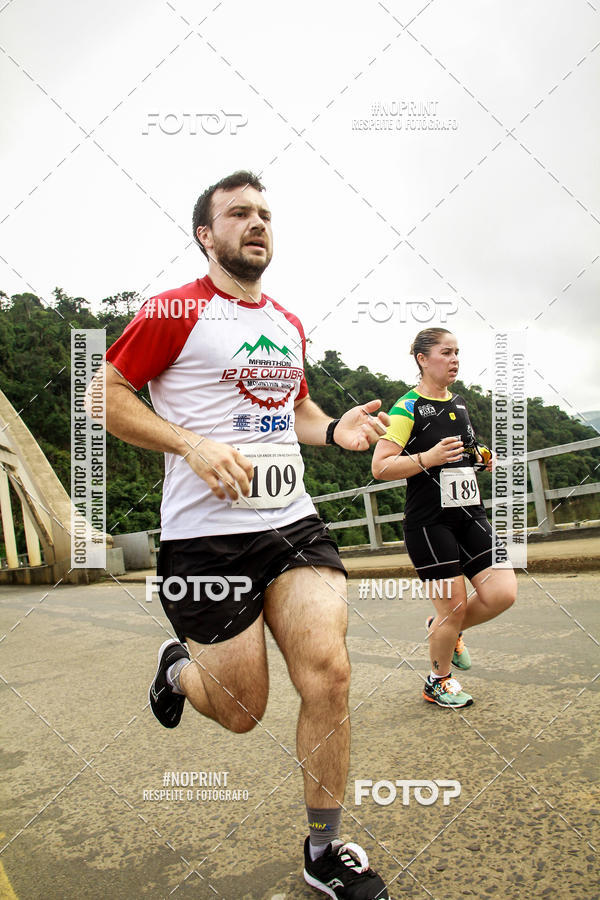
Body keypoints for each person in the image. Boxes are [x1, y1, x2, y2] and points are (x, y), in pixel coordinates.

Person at [97, 171, 391, 898]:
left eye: (264, 213)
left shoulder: (288, 323)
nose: (255, 223)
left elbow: (296, 412)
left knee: (329, 673)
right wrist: (189, 445)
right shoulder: (173, 310)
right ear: (207, 234)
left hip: (292, 526)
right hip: (206, 543)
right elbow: (102, 396)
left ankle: (324, 854)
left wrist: (335, 430)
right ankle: (177, 669)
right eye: (237, 214)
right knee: (239, 710)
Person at [372, 327, 517, 708]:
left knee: (503, 593)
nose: (454, 359)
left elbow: (465, 448)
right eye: (446, 352)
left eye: (457, 352)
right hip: (429, 523)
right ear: (422, 359)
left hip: (470, 516)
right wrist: (428, 458)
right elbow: (381, 466)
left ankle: (443, 630)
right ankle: (438, 681)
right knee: (451, 609)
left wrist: (481, 456)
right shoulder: (407, 408)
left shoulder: (461, 403)